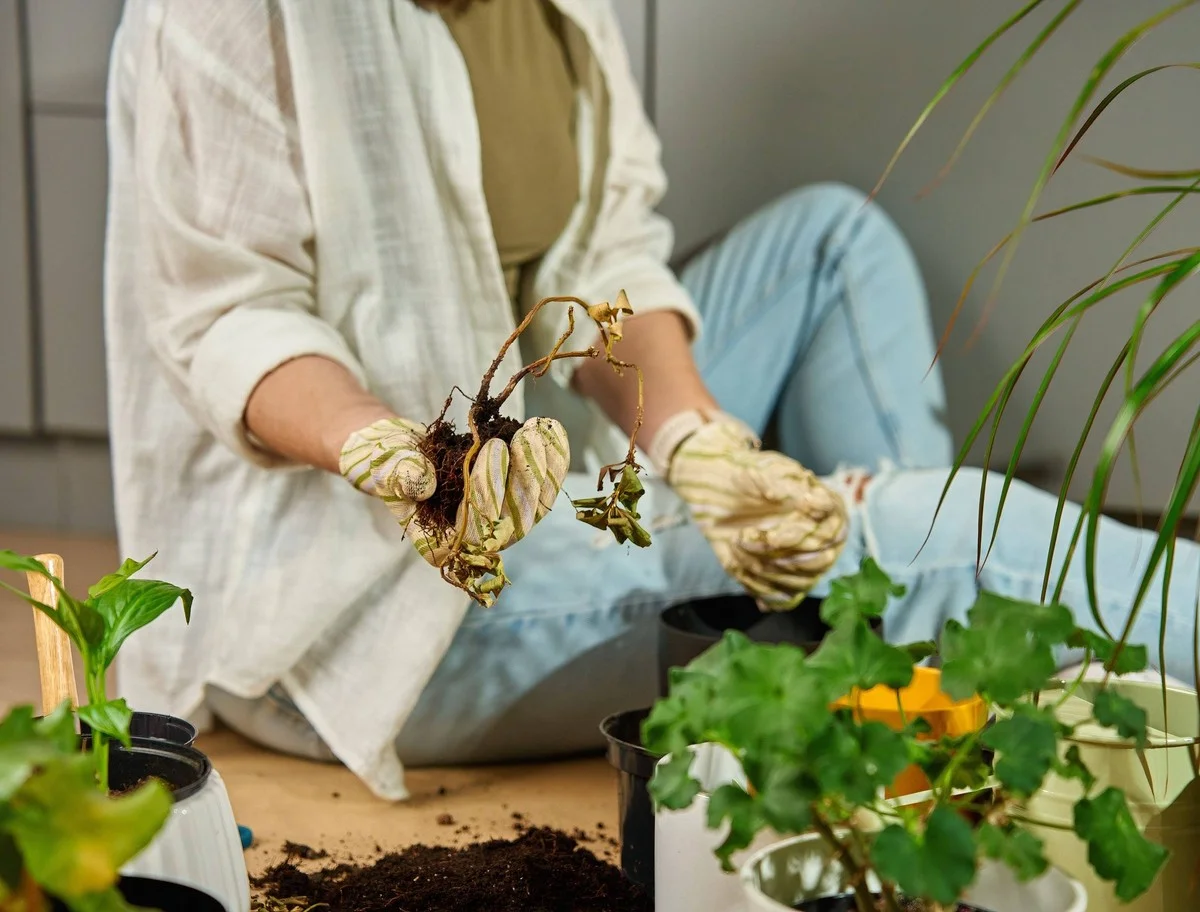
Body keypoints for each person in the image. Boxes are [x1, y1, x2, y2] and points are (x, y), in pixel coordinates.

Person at [104, 0, 1199, 800]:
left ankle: (891, 638)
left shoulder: (558, 12)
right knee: (928, 531)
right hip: (372, 595)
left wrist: (693, 441)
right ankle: (903, 561)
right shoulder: (219, 15)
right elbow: (229, 317)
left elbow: (603, 268)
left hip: (545, 461)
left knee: (834, 242)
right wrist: (398, 457)